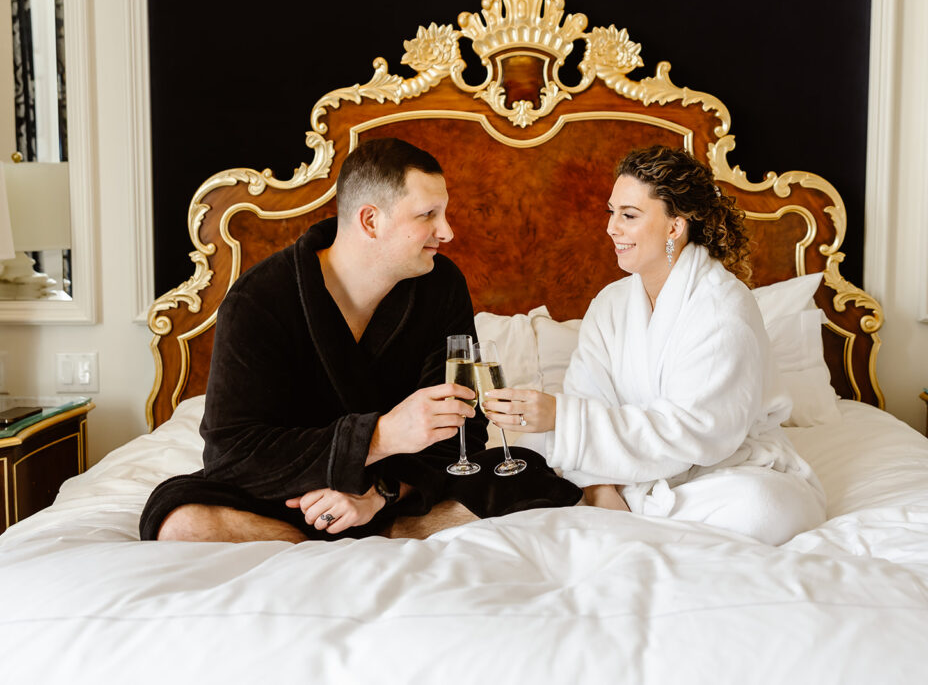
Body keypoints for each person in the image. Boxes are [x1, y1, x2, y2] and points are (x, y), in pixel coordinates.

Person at [140, 138, 577, 543]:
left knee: (526, 475)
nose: (447, 232)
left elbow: (460, 432)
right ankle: (381, 537)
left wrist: (379, 493)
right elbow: (233, 454)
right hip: (293, 497)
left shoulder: (440, 284)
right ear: (370, 220)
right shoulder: (260, 298)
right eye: (428, 215)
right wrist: (379, 436)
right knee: (179, 520)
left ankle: (356, 535)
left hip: (401, 489)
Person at [483, 145, 826, 546]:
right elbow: (587, 396)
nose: (611, 227)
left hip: (719, 470)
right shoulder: (610, 304)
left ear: (674, 227)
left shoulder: (723, 308)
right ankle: (621, 508)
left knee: (763, 506)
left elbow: (694, 434)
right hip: (626, 471)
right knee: (525, 447)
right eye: (611, 212)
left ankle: (625, 516)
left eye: (629, 215)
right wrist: (600, 485)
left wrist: (566, 419)